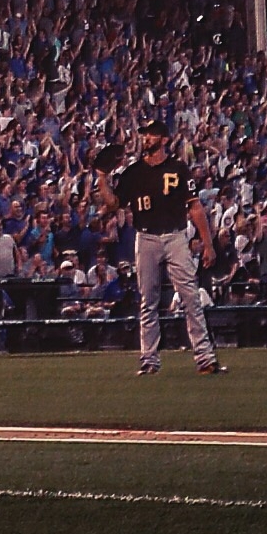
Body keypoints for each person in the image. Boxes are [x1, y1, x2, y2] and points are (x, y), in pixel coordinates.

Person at [96, 114, 221, 377]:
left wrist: (207, 243)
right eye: (144, 134)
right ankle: (149, 360)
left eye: (152, 134)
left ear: (164, 139)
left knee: (191, 297)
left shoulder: (177, 168)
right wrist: (101, 178)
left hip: (176, 236)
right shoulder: (133, 172)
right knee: (148, 300)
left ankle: (205, 358)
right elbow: (113, 204)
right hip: (147, 237)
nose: (146, 138)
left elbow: (195, 207)